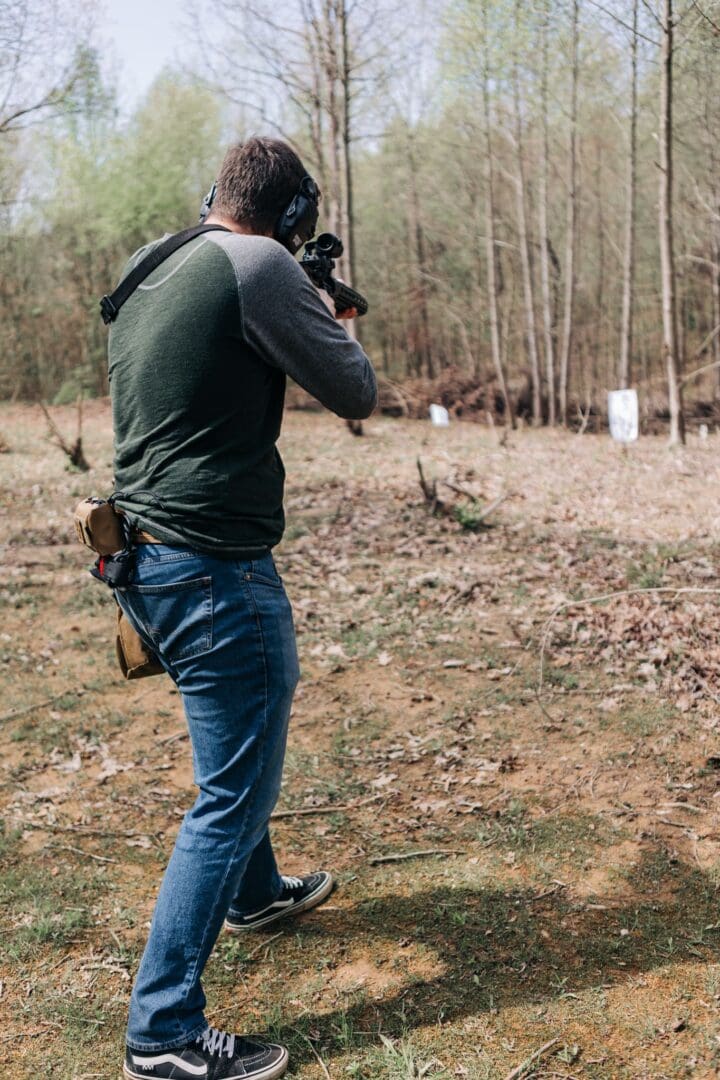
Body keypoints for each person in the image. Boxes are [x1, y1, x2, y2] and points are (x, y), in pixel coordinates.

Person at [108, 136, 377, 1080]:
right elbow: (355, 390)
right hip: (215, 570)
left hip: (137, 558)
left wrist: (303, 303)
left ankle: (255, 895)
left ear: (214, 193)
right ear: (293, 214)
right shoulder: (260, 264)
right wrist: (329, 314)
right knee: (232, 790)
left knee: (232, 740)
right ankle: (162, 1031)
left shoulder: (159, 261)